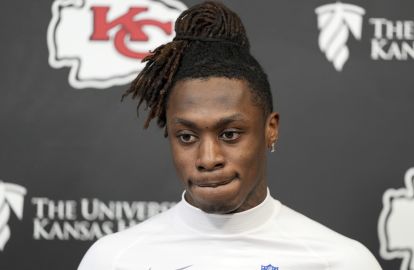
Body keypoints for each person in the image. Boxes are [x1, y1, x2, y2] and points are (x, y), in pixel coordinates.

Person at [78, 1, 382, 269]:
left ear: (270, 130)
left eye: (230, 134)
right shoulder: (113, 260)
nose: (208, 159)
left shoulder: (339, 262)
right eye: (186, 137)